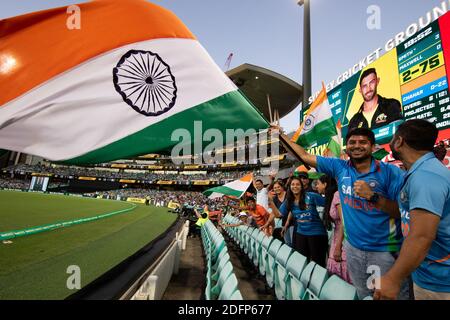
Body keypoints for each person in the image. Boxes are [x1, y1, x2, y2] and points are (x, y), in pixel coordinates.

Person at [277, 126, 411, 299]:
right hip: (353, 250)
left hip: (383, 252)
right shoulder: (340, 167)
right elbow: (304, 156)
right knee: (364, 295)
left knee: (387, 296)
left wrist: (373, 197)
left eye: (363, 142)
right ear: (346, 148)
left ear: (372, 147)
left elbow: (403, 212)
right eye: (352, 142)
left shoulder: (390, 173)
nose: (357, 146)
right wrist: (281, 135)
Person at [372, 119, 450, 300]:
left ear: (399, 141)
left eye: (393, 138)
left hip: (440, 284)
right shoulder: (419, 171)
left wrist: (392, 278)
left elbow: (421, 236)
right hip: (428, 277)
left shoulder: (426, 176)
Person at [266, 176, 329, 267]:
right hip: (301, 233)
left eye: (297, 184)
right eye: (292, 184)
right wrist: (271, 202)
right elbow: (278, 215)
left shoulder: (311, 196)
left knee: (318, 264)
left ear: (301, 186)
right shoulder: (289, 201)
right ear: (290, 187)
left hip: (317, 233)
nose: (295, 186)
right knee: (303, 262)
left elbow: (327, 202)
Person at [316, 175, 351, 283]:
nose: (316, 186)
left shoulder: (338, 194)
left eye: (317, 183)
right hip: (340, 239)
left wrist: (338, 247)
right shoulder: (333, 195)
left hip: (343, 241)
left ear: (325, 184)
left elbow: (344, 223)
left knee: (343, 280)